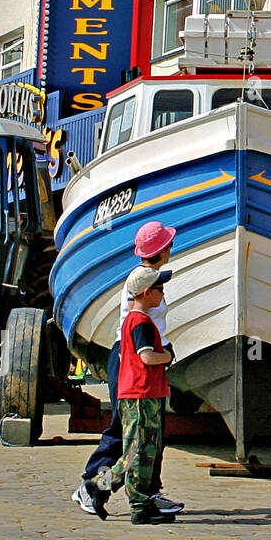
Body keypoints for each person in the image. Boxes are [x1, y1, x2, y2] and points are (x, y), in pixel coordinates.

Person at [71, 221, 184, 517]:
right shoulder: (142, 281)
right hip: (132, 360)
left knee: (151, 438)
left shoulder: (148, 277)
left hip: (148, 359)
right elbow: (142, 337)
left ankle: (148, 493)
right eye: (169, 245)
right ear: (163, 250)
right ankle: (93, 484)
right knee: (127, 434)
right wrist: (164, 354)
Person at [90, 266, 173, 524]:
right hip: (141, 395)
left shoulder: (130, 321)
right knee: (141, 451)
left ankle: (100, 487)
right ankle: (138, 505)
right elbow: (146, 356)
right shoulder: (141, 323)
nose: (163, 293)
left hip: (140, 393)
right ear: (147, 293)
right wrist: (168, 356)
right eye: (159, 289)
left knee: (137, 451)